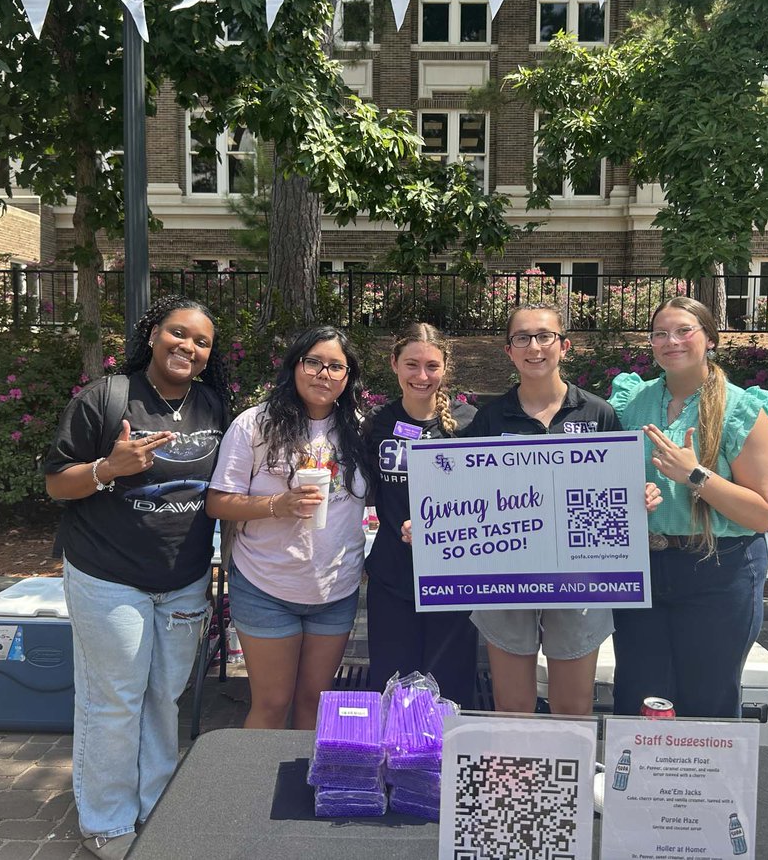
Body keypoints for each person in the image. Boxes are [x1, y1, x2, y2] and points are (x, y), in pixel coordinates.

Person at [44, 296, 230, 860]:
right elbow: (57, 484)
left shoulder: (215, 405)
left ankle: (157, 804)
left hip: (184, 578)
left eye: (201, 342)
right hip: (108, 576)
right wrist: (107, 469)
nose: (188, 347)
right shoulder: (106, 397)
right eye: (179, 333)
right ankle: (106, 819)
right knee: (115, 700)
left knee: (162, 696)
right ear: (153, 335)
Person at [458, 303, 662, 716]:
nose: (534, 347)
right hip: (508, 571)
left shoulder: (597, 412)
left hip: (579, 572)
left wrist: (634, 500)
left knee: (573, 705)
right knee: (512, 706)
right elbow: (468, 495)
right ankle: (516, 779)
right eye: (522, 338)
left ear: (564, 346)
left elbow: (615, 487)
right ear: (509, 351)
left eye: (544, 336)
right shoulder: (490, 417)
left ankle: (571, 780)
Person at [608, 296, 768, 719]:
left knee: (707, 704)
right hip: (643, 572)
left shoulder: (742, 409)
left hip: (718, 571)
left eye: (683, 331)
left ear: (710, 339)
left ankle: (706, 787)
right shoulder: (631, 403)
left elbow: (763, 513)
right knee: (639, 699)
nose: (670, 341)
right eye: (660, 333)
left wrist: (696, 475)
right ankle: (638, 787)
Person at [207, 326, 372, 729]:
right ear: (294, 366)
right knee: (272, 702)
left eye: (336, 366)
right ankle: (256, 790)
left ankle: (305, 789)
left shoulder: (360, 429)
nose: (324, 373)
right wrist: (277, 504)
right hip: (267, 586)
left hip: (335, 590)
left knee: (314, 703)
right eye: (313, 362)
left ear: (348, 377)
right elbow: (217, 502)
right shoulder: (255, 424)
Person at [363, 323, 479, 707]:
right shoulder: (376, 423)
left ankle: (440, 763)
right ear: (394, 364)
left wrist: (443, 527)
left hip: (454, 580)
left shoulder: (471, 423)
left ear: (446, 368)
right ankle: (393, 764)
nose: (422, 376)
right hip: (393, 576)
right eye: (412, 364)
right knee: (392, 686)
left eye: (432, 366)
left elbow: (491, 498)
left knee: (448, 690)